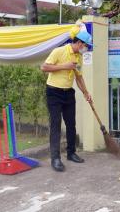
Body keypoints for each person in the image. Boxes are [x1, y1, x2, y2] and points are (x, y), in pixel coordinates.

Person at [41, 30, 93, 172]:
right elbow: (44, 67)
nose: (86, 48)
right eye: (85, 45)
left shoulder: (78, 57)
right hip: (54, 92)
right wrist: (64, 66)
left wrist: (86, 93)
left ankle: (71, 153)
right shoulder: (59, 51)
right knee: (56, 124)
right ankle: (55, 158)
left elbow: (79, 77)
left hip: (68, 93)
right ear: (79, 43)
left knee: (71, 124)